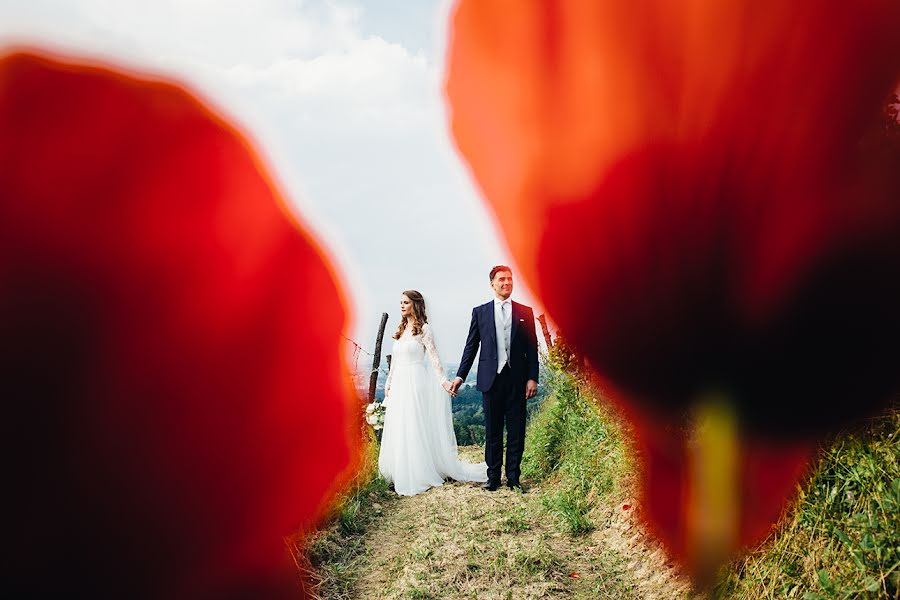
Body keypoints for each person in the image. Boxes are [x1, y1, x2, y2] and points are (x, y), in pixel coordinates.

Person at [378, 290, 488, 496]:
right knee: (399, 424)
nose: (402, 306)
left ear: (415, 305)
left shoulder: (425, 329)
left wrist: (444, 382)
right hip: (400, 382)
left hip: (416, 380)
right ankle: (398, 471)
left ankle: (418, 472)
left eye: (406, 302)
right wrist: (389, 383)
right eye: (400, 302)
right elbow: (396, 361)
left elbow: (434, 359)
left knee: (413, 424)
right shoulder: (401, 330)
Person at [449, 266, 539, 492]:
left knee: (517, 430)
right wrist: (460, 375)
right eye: (501, 279)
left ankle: (514, 478)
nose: (506, 283)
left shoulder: (525, 312)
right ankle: (493, 478)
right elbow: (471, 347)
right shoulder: (480, 312)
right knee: (493, 430)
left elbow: (532, 348)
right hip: (491, 379)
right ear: (492, 284)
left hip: (518, 380)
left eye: (509, 279)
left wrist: (532, 378)